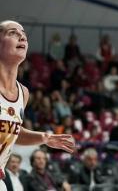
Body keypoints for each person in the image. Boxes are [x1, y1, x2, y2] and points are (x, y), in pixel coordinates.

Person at [0, 21, 75, 190]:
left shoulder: (23, 93)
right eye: (12, 33)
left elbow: (11, 132)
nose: (22, 36)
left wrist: (44, 138)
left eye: (23, 33)